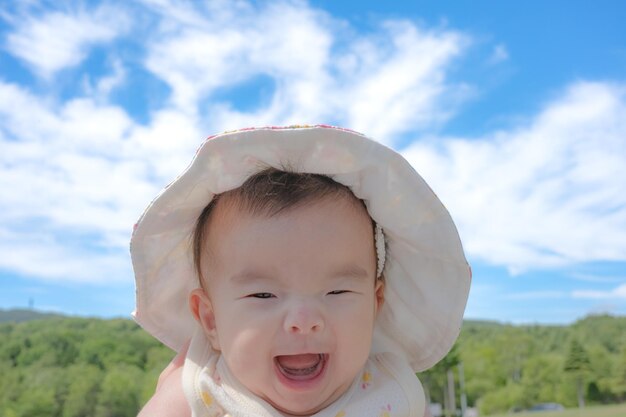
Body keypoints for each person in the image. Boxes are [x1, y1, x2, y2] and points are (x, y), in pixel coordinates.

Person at [131, 125, 471, 417]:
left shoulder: (390, 394)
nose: (305, 318)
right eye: (263, 294)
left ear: (375, 304)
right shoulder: (197, 392)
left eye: (337, 291)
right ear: (210, 319)